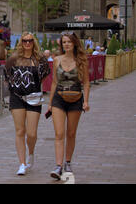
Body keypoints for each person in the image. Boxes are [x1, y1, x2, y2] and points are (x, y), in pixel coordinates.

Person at [5, 32, 50, 176]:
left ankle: (31, 152)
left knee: (31, 133)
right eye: (24, 41)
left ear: (34, 42)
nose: (27, 43)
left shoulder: (40, 59)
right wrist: (15, 87)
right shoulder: (13, 58)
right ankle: (22, 163)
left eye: (30, 41)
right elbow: (6, 74)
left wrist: (33, 88)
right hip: (17, 97)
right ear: (21, 43)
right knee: (19, 131)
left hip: (34, 97)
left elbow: (43, 77)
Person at [48, 31, 90, 180]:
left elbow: (86, 82)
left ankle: (67, 162)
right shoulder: (57, 60)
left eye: (69, 42)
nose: (66, 44)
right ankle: (58, 166)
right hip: (59, 98)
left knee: (71, 133)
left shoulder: (82, 60)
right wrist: (50, 103)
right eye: (64, 42)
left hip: (76, 98)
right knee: (59, 133)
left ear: (74, 44)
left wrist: (86, 101)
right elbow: (54, 82)